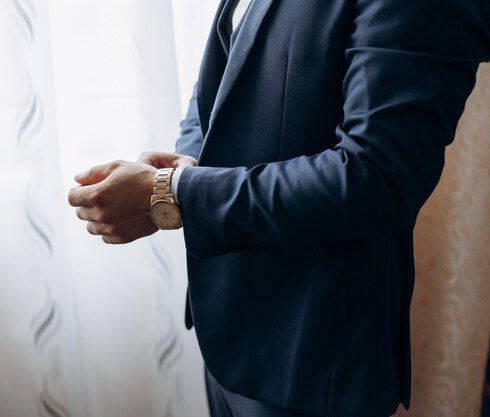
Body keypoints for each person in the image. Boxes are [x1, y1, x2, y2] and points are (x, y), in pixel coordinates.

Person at [68, 0, 490, 416]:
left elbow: (376, 177)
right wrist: (189, 162)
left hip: (312, 357)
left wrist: (173, 194)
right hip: (227, 332)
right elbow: (224, 83)